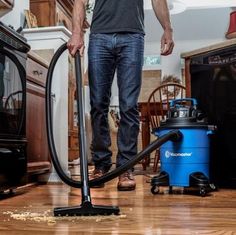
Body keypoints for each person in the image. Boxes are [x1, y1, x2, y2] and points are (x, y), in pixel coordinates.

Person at [67, 0, 174, 191]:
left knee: (129, 106)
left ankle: (125, 167)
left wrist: (168, 29)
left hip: (133, 36)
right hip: (100, 36)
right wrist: (77, 32)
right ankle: (101, 164)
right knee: (98, 103)